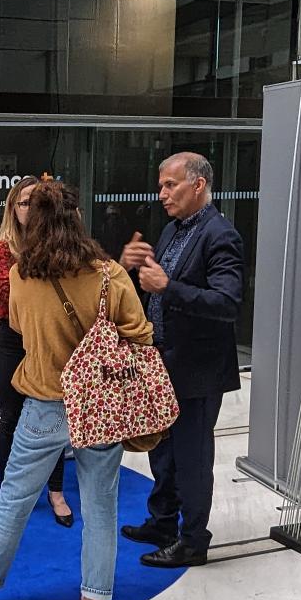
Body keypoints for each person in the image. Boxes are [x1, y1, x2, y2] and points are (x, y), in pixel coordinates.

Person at [0, 180, 155, 600]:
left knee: (13, 498)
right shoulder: (109, 274)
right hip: (102, 405)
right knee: (101, 505)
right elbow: (142, 335)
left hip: (46, 401)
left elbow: (18, 328)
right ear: (77, 219)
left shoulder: (21, 276)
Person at [120, 151, 244, 567]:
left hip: (197, 370)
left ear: (198, 185)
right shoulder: (173, 229)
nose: (162, 193)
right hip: (163, 362)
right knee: (162, 450)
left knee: (191, 457)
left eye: (170, 185)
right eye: (161, 186)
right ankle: (162, 522)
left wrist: (167, 286)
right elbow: (155, 286)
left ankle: (193, 541)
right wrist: (133, 267)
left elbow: (227, 303)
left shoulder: (220, 234)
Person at [0, 176, 73, 528]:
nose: (30, 209)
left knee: (53, 417)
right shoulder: (3, 247)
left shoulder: (61, 248)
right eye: (24, 202)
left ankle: (56, 491)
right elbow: (7, 294)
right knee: (10, 419)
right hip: (13, 340)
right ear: (13, 208)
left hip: (49, 341)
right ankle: (7, 494)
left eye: (36, 203)